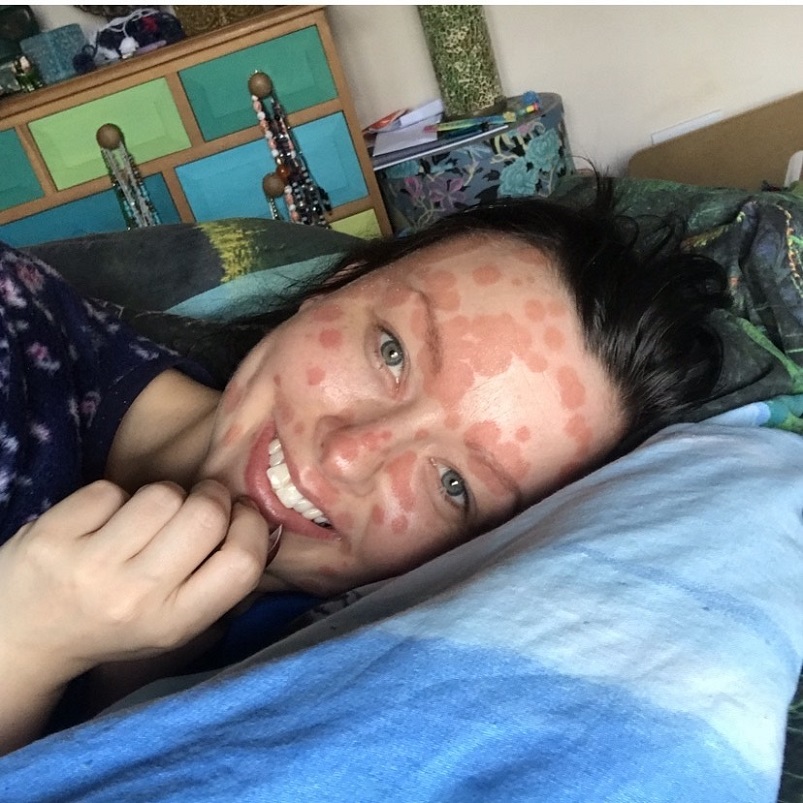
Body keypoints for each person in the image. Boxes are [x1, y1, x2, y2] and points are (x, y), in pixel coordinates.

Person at [0, 179, 729, 754]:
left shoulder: (325, 673)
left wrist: (124, 678)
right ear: (338, 283)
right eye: (390, 351)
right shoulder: (17, 346)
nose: (348, 454)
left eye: (453, 485)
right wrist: (25, 638)